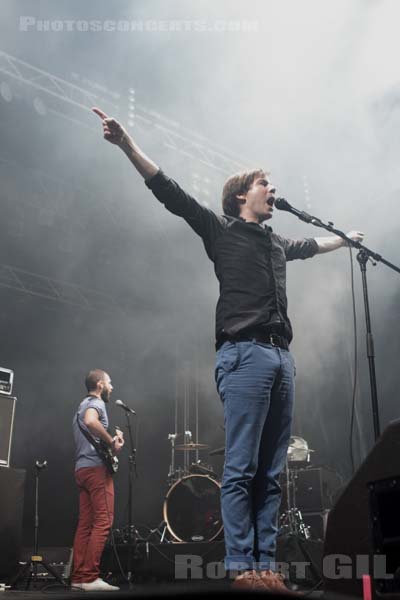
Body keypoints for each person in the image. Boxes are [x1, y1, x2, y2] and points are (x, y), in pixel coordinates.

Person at [92, 107, 364, 591]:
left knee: (271, 471)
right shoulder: (221, 229)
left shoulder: (277, 240)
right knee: (241, 467)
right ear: (243, 194)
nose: (273, 190)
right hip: (245, 355)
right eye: (266, 183)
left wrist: (343, 242)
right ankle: (242, 568)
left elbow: (306, 245)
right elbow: (170, 193)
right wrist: (128, 146)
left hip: (282, 357)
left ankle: (265, 567)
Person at [71, 369, 124, 592]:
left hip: (81, 469)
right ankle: (90, 577)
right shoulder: (96, 404)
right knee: (104, 521)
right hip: (95, 470)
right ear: (100, 385)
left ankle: (78, 578)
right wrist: (113, 440)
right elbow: (91, 421)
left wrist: (109, 445)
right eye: (110, 383)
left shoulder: (79, 407)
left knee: (85, 524)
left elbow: (87, 426)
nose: (112, 387)